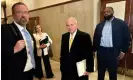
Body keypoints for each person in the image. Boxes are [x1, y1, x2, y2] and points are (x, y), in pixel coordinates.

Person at [1, 2, 37, 80]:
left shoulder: (29, 32)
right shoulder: (4, 29)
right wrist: (14, 50)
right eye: (19, 12)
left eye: (25, 12)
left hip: (30, 73)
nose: (23, 15)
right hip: (14, 75)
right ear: (13, 15)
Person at [93, 7, 130, 80]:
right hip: (101, 51)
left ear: (113, 12)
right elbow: (95, 38)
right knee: (100, 72)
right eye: (105, 12)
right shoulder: (99, 25)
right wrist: (94, 50)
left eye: (108, 11)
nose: (106, 13)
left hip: (113, 52)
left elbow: (127, 38)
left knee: (112, 73)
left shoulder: (121, 24)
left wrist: (123, 51)